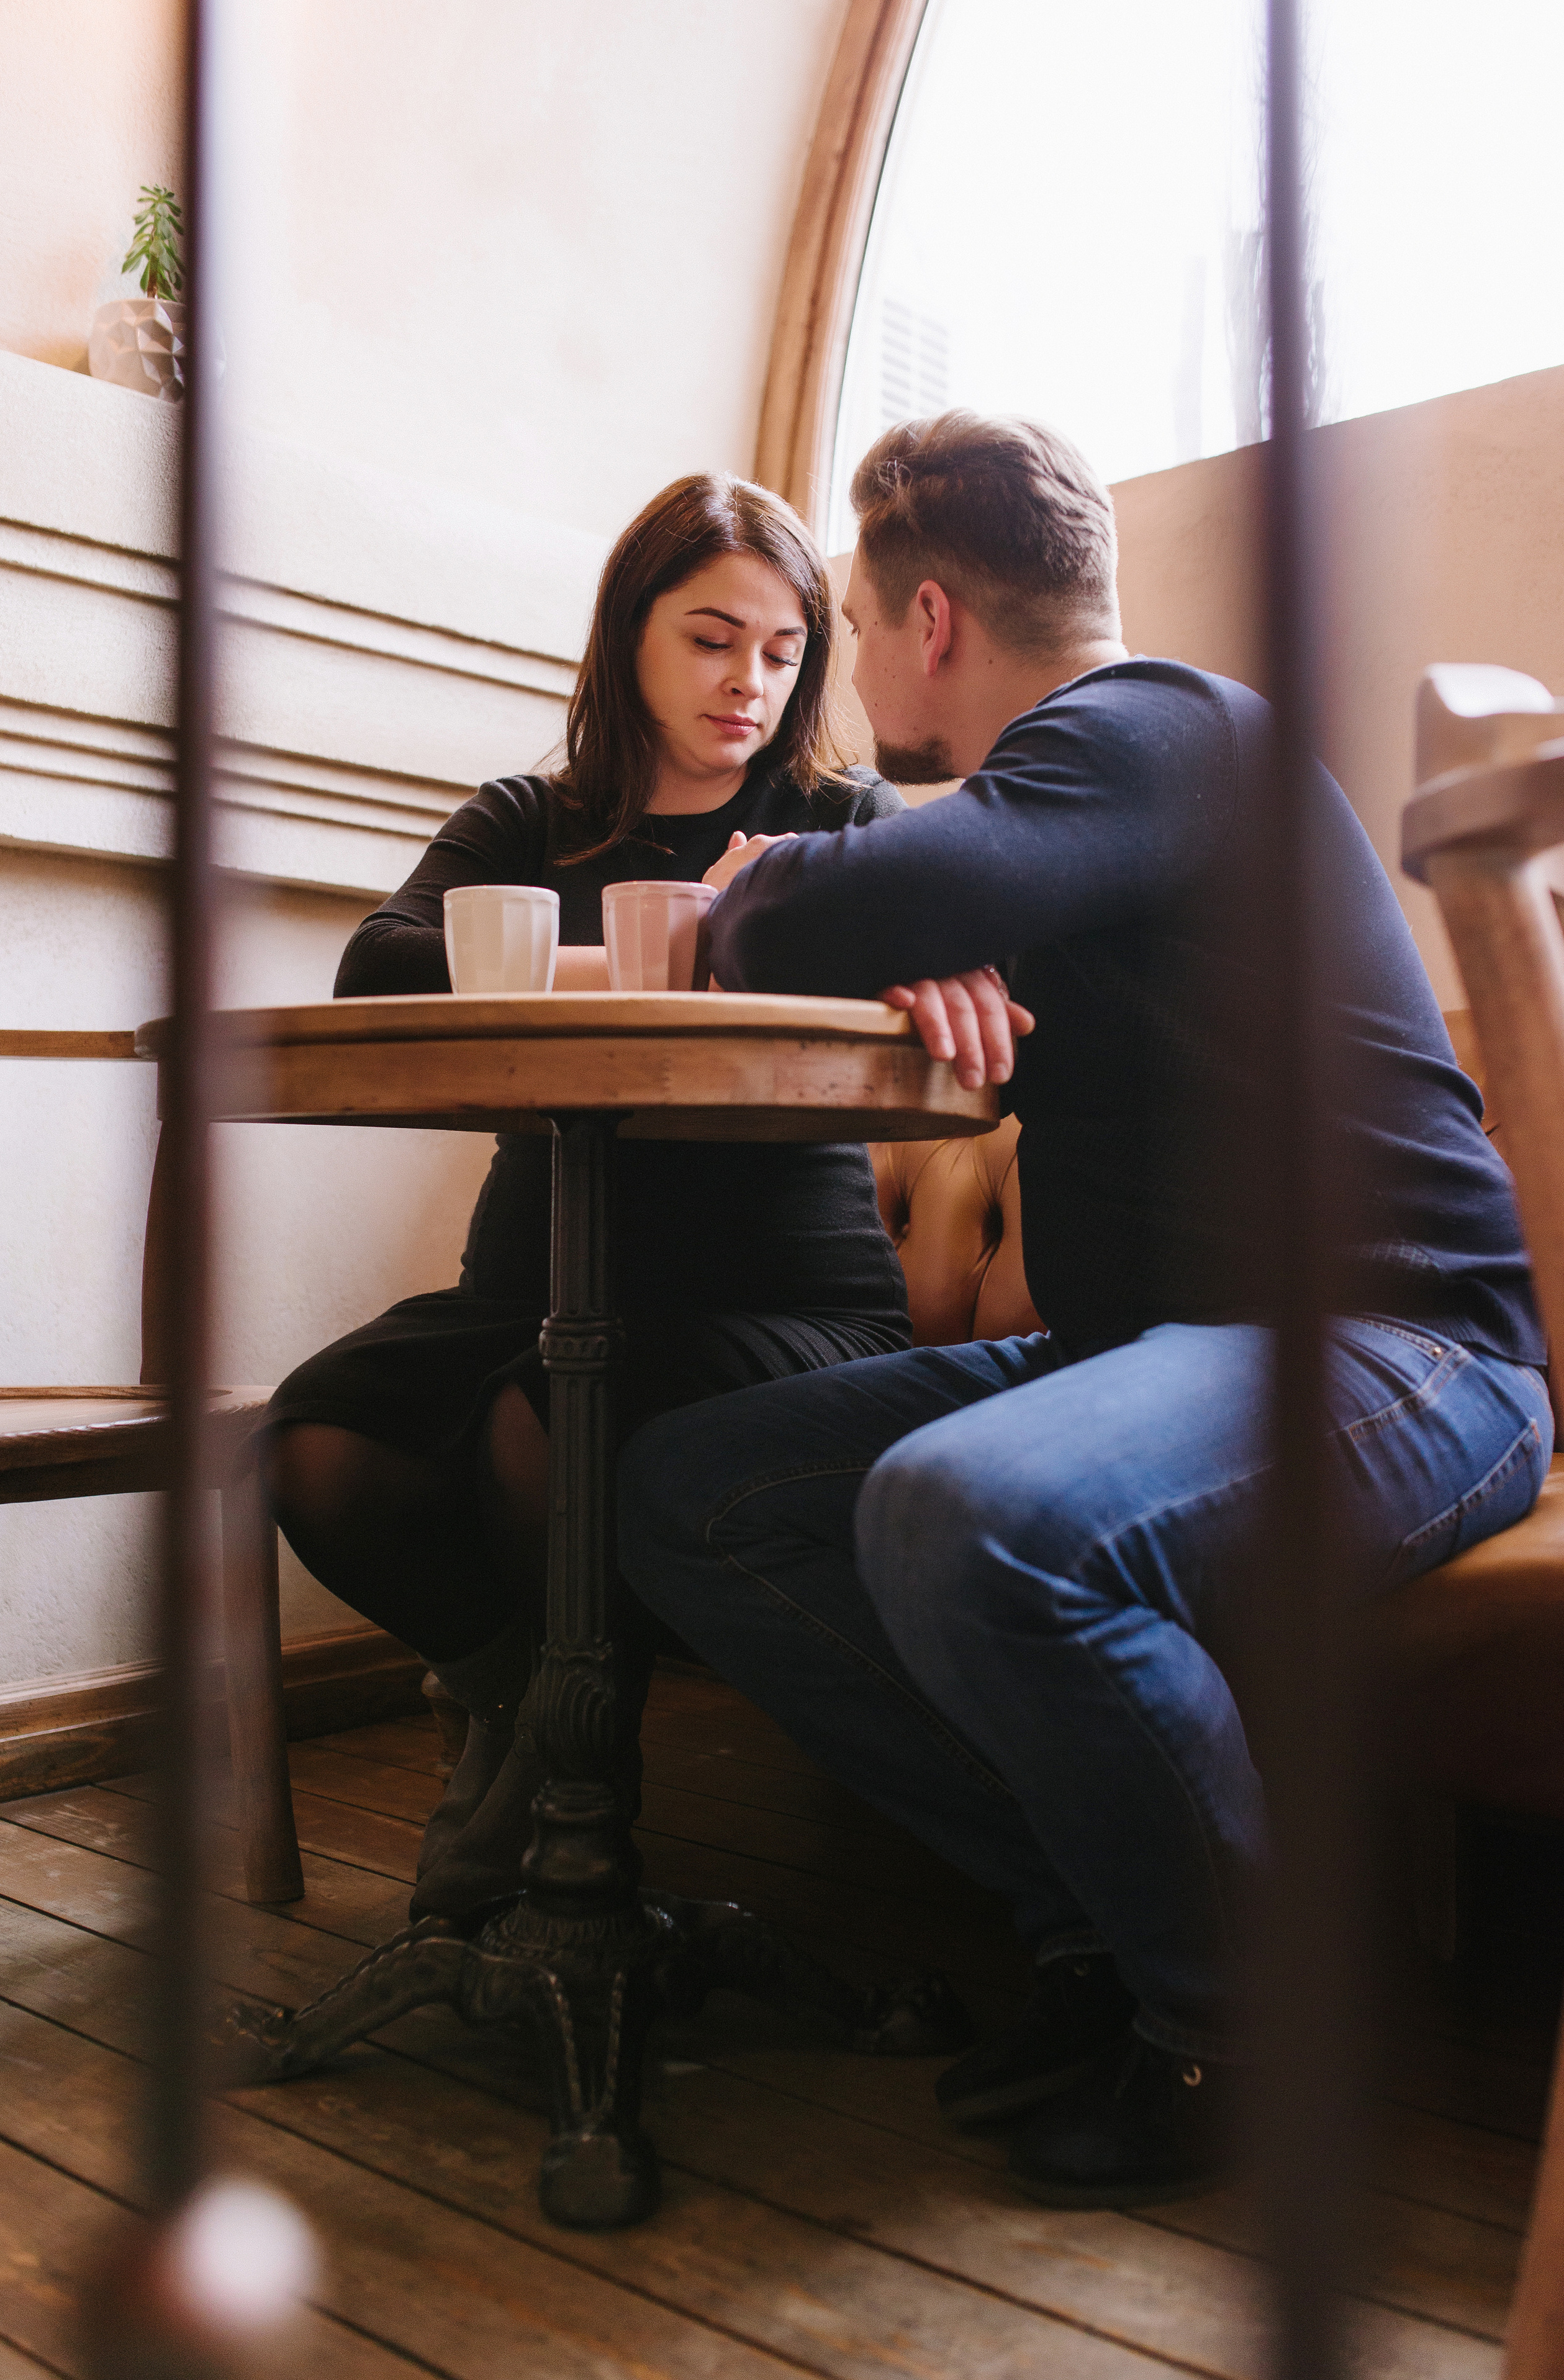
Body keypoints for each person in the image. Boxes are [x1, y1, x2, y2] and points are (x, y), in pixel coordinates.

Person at [615, 410, 1551, 2209]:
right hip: (1168, 1348)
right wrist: (911, 902)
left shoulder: (1171, 729)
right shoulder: (1081, 800)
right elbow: (929, 885)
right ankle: (1098, 1934)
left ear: (934, 619)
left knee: (971, 1510)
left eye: (859, 631)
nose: (851, 671)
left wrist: (782, 879)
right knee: (690, 1490)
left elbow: (862, 886)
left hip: (1407, 1350)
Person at [264, 469, 970, 1923]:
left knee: (551, 1421)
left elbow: (945, 963)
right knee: (318, 1448)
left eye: (782, 651)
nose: (748, 683)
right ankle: (522, 1705)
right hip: (524, 1287)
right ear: (628, 634)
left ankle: (550, 1812)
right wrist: (648, 966)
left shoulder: (838, 820)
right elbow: (376, 966)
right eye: (711, 638)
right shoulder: (535, 816)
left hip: (779, 1302)